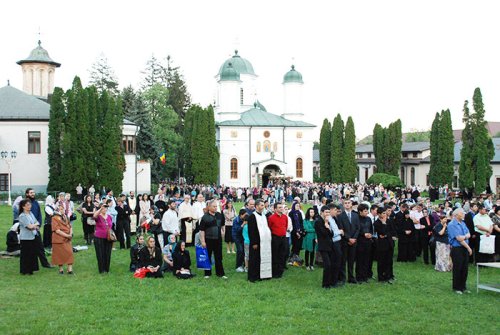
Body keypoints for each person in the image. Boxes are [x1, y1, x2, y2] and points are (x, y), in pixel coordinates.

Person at [25, 188, 52, 268]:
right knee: (29, 249)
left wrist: (38, 225)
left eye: (33, 192)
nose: (33, 194)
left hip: (36, 229)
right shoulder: (25, 203)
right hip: (28, 229)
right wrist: (30, 226)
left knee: (40, 247)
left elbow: (39, 215)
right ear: (27, 194)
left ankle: (45, 263)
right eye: (31, 193)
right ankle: (28, 265)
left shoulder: (36, 203)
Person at [199, 200, 227, 279]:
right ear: (209, 207)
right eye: (214, 206)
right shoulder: (205, 217)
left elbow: (223, 225)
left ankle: (220, 273)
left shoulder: (219, 215)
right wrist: (203, 241)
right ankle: (207, 273)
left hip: (218, 239)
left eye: (216, 206)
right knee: (207, 256)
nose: (215, 208)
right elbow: (202, 230)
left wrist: (223, 233)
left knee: (218, 257)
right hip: (208, 239)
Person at [448, 208, 473, 294]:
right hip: (457, 249)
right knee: (458, 268)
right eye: (462, 213)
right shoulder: (452, 224)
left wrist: (465, 237)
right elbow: (459, 238)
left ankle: (463, 286)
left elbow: (469, 234)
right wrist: (469, 248)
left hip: (464, 248)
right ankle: (457, 287)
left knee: (464, 268)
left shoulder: (463, 223)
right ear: (456, 215)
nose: (464, 215)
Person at [247, 199, 272, 282]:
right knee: (254, 259)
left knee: (262, 258)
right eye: (261, 205)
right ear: (256, 206)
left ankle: (263, 275)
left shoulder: (264, 216)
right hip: (256, 242)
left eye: (263, 205)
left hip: (264, 242)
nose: (263, 207)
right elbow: (251, 231)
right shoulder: (252, 216)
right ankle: (253, 276)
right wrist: (254, 242)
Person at [337, 198, 360, 284]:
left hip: (354, 241)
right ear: (343, 205)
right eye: (345, 203)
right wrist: (348, 238)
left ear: (351, 205)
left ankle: (351, 277)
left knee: (351, 260)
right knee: (343, 260)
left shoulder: (355, 215)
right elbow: (341, 229)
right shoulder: (340, 216)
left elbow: (358, 228)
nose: (347, 204)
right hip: (345, 241)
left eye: (348, 203)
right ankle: (343, 278)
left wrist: (354, 238)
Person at [18, 199, 41, 275]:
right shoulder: (22, 216)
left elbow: (36, 222)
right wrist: (34, 226)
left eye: (30, 205)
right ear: (23, 207)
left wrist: (35, 225)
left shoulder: (31, 213)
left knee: (32, 254)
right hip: (25, 238)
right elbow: (29, 226)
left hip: (33, 236)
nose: (29, 206)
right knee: (26, 254)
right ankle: (25, 270)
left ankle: (31, 269)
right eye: (27, 205)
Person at [51, 202, 74, 274]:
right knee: (59, 254)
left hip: (67, 238)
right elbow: (57, 230)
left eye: (63, 209)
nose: (62, 210)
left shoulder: (66, 217)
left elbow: (70, 226)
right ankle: (61, 270)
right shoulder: (54, 218)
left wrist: (70, 233)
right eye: (60, 209)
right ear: (57, 210)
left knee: (69, 252)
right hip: (58, 239)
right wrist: (67, 235)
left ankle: (70, 269)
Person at [315, 206, 335, 289]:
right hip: (323, 246)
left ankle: (329, 282)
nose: (328, 214)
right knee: (327, 265)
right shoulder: (318, 221)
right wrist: (326, 225)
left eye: (329, 212)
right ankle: (325, 284)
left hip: (329, 245)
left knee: (330, 265)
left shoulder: (327, 221)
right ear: (322, 212)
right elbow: (323, 233)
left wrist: (328, 226)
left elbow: (331, 234)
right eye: (326, 212)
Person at [374, 207, 395, 283]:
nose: (385, 214)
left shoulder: (389, 221)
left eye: (385, 213)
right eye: (383, 213)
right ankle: (381, 277)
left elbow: (392, 231)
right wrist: (383, 224)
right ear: (379, 214)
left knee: (389, 261)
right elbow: (382, 232)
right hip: (382, 245)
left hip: (390, 243)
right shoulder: (376, 223)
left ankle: (389, 275)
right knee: (381, 261)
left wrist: (386, 235)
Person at [267, 202, 288, 278]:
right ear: (275, 209)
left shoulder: (285, 217)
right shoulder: (271, 217)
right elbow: (269, 227)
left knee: (282, 255)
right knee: (275, 255)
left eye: (282, 207)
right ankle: (274, 272)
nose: (281, 208)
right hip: (275, 238)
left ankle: (280, 271)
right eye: (279, 207)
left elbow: (285, 226)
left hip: (283, 238)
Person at [93, 200, 114, 273]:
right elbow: (94, 216)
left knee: (107, 253)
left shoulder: (109, 217)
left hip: (108, 238)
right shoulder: (98, 216)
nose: (105, 209)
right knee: (100, 253)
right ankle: (101, 269)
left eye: (106, 208)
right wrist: (100, 209)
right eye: (103, 208)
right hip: (99, 237)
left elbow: (111, 226)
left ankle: (106, 268)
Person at [356, 203, 373, 283]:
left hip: (368, 242)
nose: (367, 213)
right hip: (360, 242)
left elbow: (370, 229)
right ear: (360, 211)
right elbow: (356, 230)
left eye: (367, 211)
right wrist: (363, 234)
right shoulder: (356, 219)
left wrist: (370, 234)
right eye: (365, 211)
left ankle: (365, 276)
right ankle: (359, 277)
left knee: (367, 260)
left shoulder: (368, 219)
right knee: (360, 260)